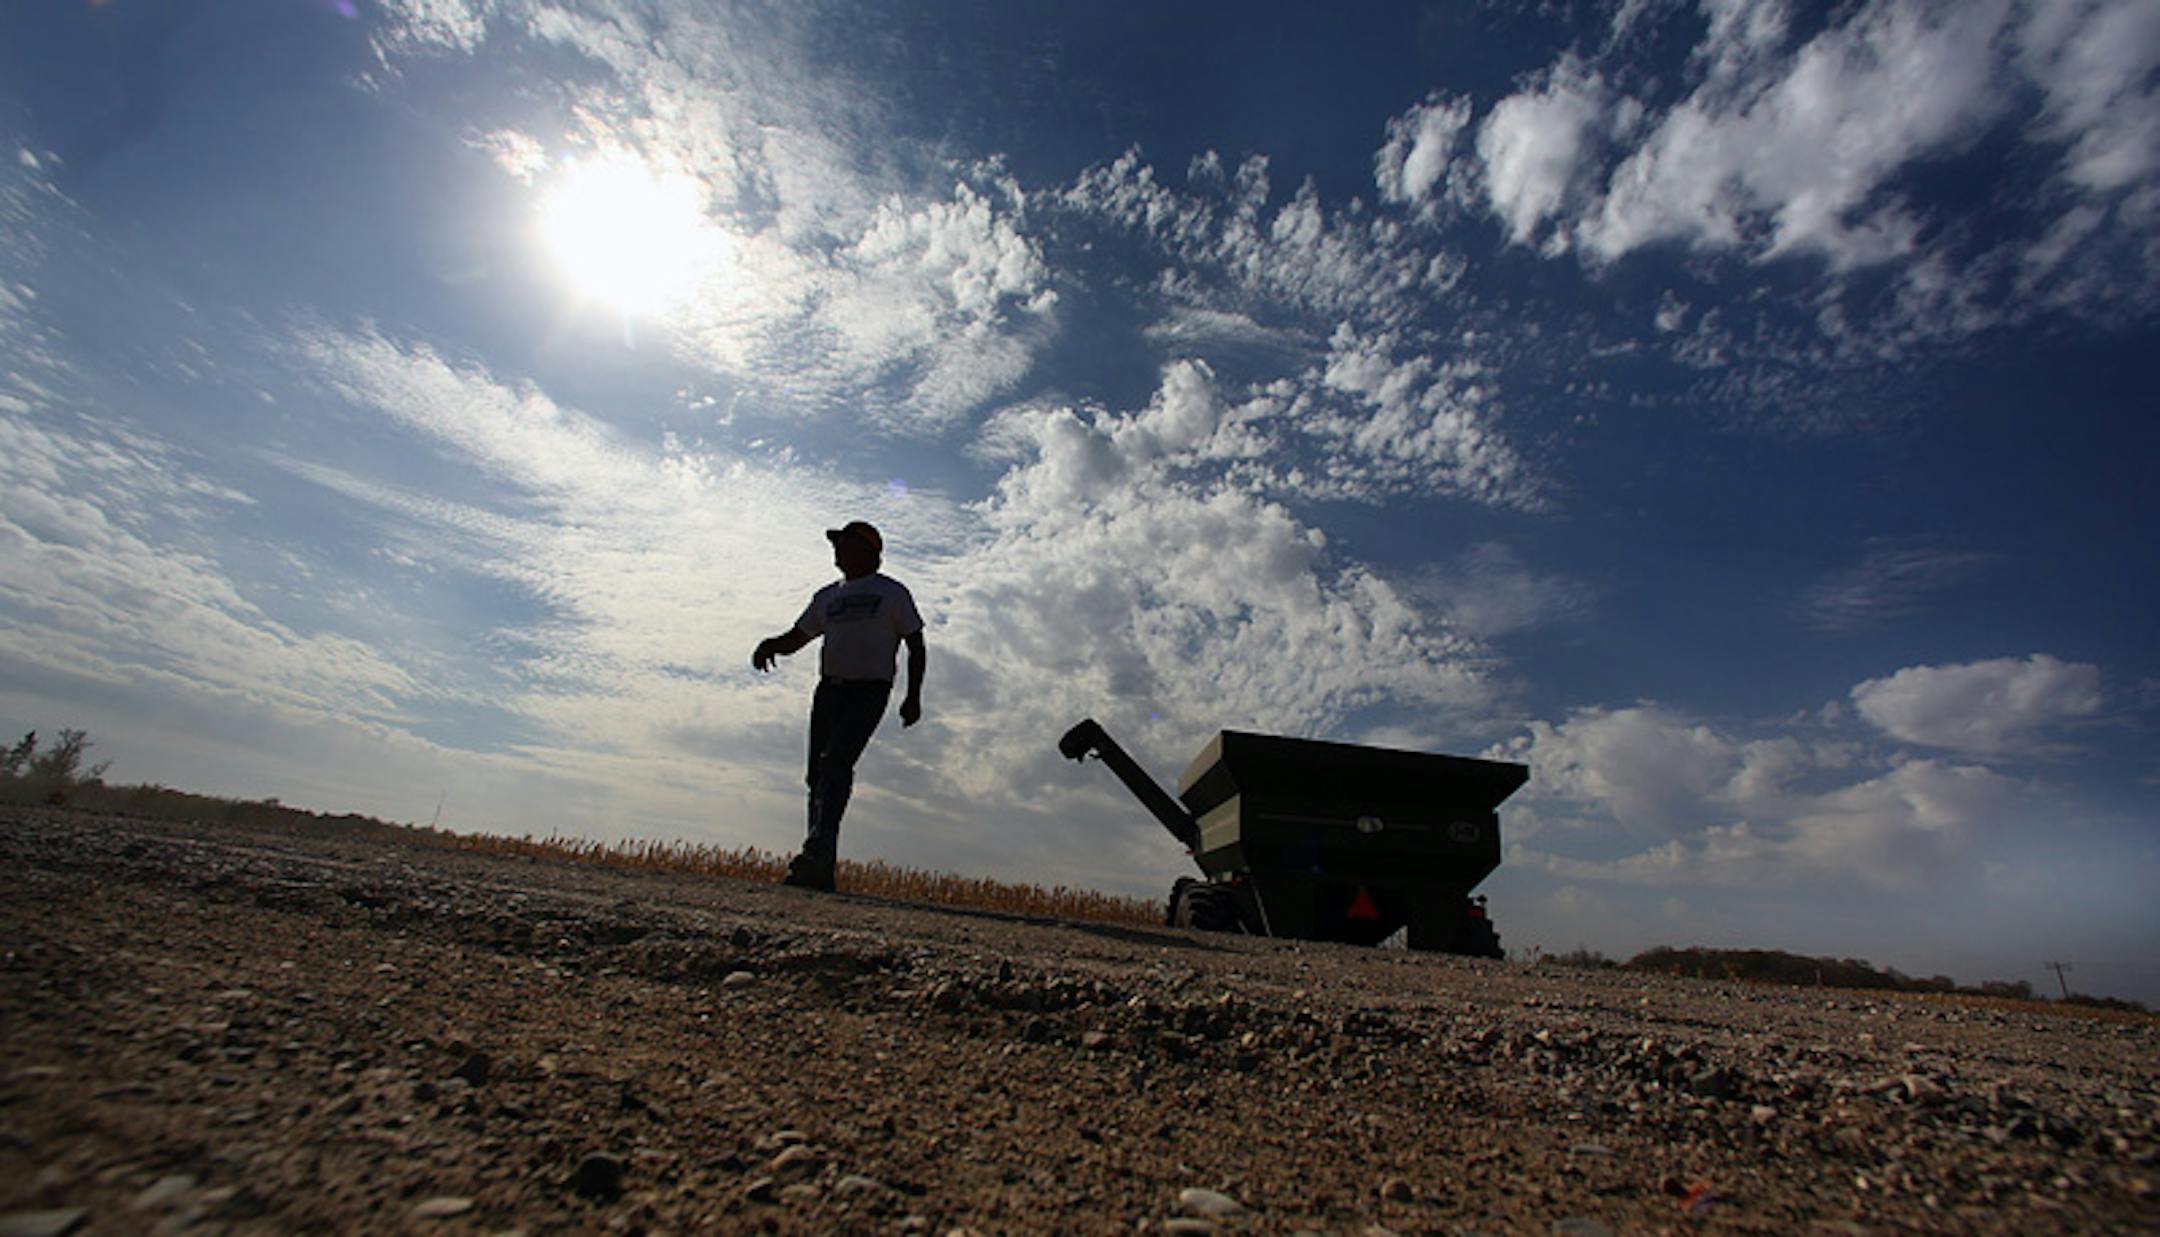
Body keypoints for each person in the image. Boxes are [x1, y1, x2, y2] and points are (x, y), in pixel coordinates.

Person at [751, 520, 925, 891]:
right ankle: (820, 862)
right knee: (817, 775)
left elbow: (916, 644)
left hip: (869, 692)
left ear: (866, 550)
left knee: (835, 764)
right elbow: (798, 637)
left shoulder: (892, 593)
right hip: (829, 691)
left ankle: (816, 852)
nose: (836, 549)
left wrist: (913, 696)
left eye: (842, 543)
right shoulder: (827, 596)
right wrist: (770, 645)